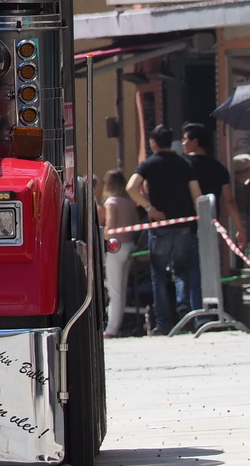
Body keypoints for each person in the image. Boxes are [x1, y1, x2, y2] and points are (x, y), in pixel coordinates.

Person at [126, 125, 202, 334]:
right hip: (184, 224)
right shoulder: (185, 164)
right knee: (182, 270)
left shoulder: (149, 164)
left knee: (158, 274)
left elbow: (131, 187)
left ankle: (163, 323)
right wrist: (199, 220)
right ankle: (185, 312)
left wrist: (149, 208)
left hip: (160, 224)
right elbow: (196, 194)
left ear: (153, 143)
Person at [180, 123, 241, 240]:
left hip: (182, 228)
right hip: (209, 226)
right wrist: (239, 228)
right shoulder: (219, 168)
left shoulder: (181, 165)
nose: (183, 143)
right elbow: (229, 201)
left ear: (195, 142)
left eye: (185, 139)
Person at [99, 169, 141, 338]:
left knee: (114, 292)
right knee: (121, 290)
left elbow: (110, 229)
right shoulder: (129, 202)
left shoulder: (111, 202)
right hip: (130, 246)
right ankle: (118, 324)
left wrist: (98, 235)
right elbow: (136, 223)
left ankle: (111, 329)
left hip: (116, 248)